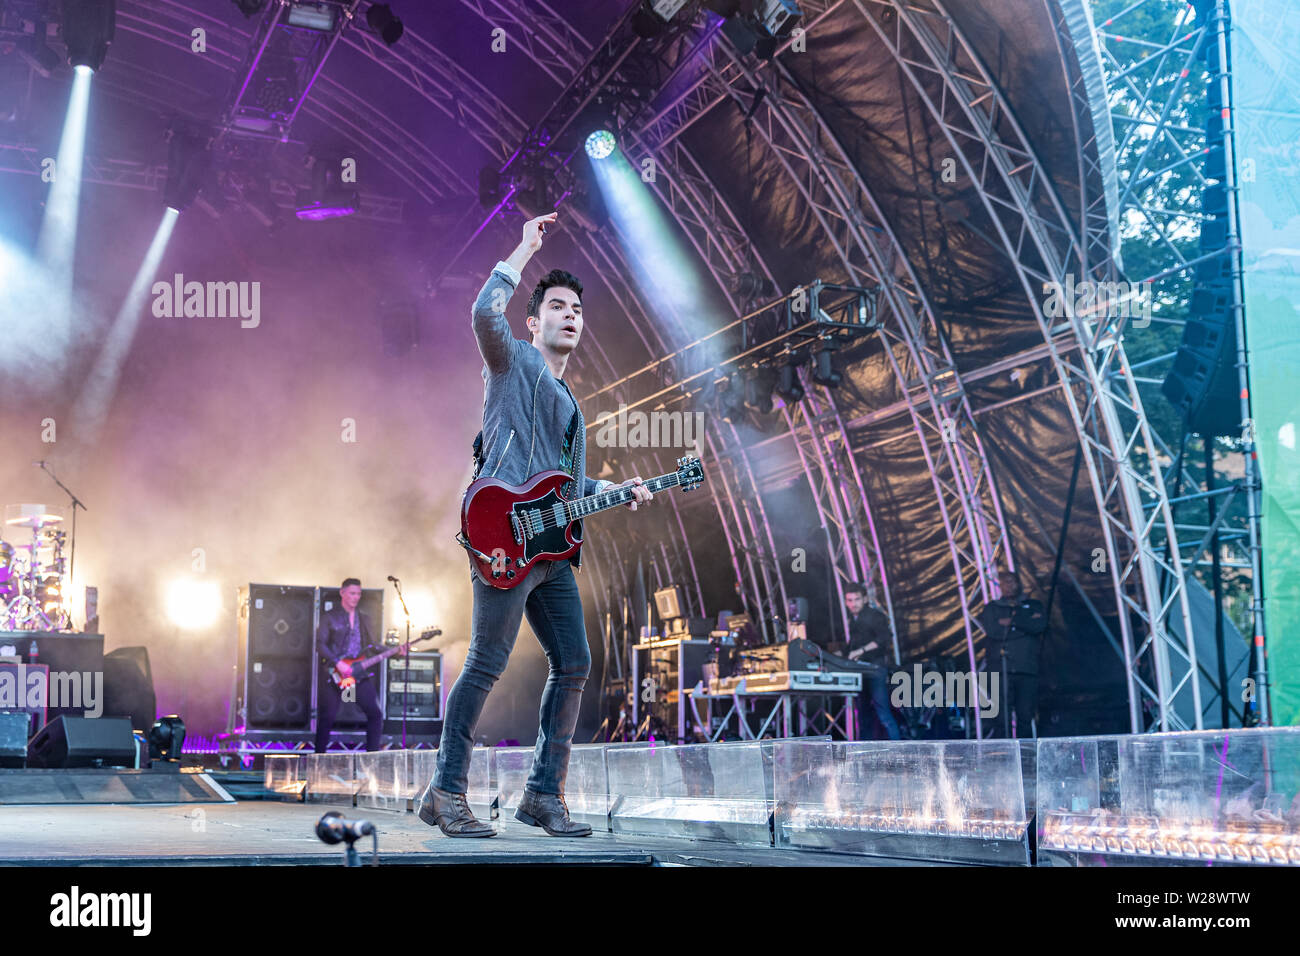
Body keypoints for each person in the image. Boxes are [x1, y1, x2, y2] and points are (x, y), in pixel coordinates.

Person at [416, 212, 652, 838]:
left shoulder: (574, 406)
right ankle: (445, 791)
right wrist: (521, 251)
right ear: (534, 319)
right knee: (486, 664)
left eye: (577, 308)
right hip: (503, 538)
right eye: (557, 305)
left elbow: (568, 488)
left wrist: (615, 489)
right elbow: (482, 316)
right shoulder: (512, 362)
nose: (570, 314)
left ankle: (543, 796)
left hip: (550, 556)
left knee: (573, 662)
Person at [315, 578, 386, 752]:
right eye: (352, 593)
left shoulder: (364, 619)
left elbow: (373, 645)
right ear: (342, 593)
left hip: (356, 674)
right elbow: (320, 644)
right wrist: (338, 663)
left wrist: (396, 650)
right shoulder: (329, 617)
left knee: (375, 714)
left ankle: (372, 760)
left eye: (359, 594)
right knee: (327, 717)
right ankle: (317, 760)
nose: (356, 597)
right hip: (335, 674)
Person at [979, 570, 1046, 738]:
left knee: (1025, 716)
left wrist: (1012, 622)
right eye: (1005, 582)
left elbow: (1038, 626)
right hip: (1000, 670)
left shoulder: (1034, 605)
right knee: (1002, 718)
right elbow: (993, 630)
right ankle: (1005, 755)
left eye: (1012, 581)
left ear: (1019, 583)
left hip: (1026, 669)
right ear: (999, 586)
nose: (1009, 586)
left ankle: (1026, 756)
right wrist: (1024, 622)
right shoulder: (992, 608)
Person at [843, 583, 900, 740]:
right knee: (862, 716)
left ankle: (898, 751)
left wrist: (860, 651)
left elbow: (884, 638)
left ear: (865, 599)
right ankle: (864, 753)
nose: (853, 604)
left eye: (857, 599)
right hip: (861, 671)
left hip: (875, 669)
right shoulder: (853, 619)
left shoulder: (875, 616)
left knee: (883, 713)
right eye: (849, 600)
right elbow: (852, 645)